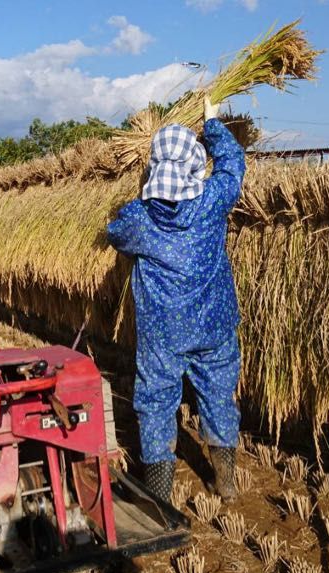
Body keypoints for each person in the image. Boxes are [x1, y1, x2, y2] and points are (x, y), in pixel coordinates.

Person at [106, 96, 245, 504]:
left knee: (157, 401)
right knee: (219, 395)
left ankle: (160, 495)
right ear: (192, 166)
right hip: (214, 326)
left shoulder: (139, 217)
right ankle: (226, 481)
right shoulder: (212, 201)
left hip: (163, 332)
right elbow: (233, 164)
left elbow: (115, 235)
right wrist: (213, 124)